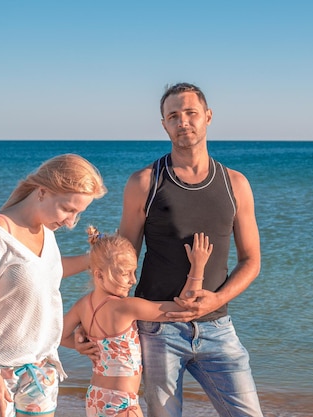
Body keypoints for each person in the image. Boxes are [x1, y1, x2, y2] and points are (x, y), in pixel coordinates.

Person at [114, 82, 263, 417]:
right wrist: (100, 319)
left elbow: (251, 261)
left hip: (218, 328)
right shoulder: (145, 183)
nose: (183, 121)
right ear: (164, 124)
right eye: (173, 116)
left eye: (191, 113)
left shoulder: (235, 184)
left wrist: (216, 299)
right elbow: (122, 263)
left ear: (207, 117)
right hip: (157, 329)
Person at [0, 154, 107, 417]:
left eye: (78, 214)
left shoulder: (46, 230)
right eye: (68, 209)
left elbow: (45, 272)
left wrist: (92, 261)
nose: (70, 222)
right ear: (43, 192)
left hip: (40, 369)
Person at [62, 226, 213, 417]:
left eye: (134, 272)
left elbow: (58, 335)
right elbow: (184, 308)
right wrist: (197, 267)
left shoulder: (82, 305)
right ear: (99, 274)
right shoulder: (126, 307)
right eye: (125, 274)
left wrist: (79, 346)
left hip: (95, 397)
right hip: (121, 402)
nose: (133, 280)